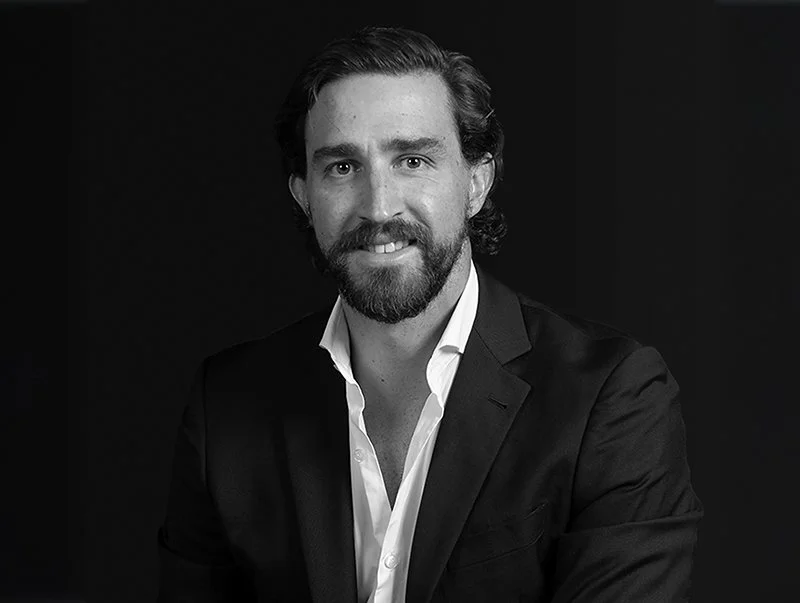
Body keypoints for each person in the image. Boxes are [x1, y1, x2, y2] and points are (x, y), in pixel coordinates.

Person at [156, 26, 703, 603]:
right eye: (342, 167)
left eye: (412, 160)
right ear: (302, 194)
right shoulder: (229, 405)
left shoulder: (610, 398)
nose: (379, 205)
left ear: (476, 181)